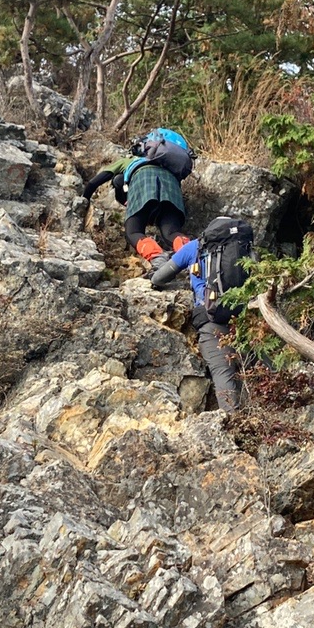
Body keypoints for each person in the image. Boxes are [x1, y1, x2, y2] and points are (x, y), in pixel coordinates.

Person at [150, 215, 254, 413]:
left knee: (223, 372)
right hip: (247, 317)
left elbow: (159, 277)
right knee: (259, 370)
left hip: (211, 318)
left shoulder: (195, 247)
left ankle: (233, 421)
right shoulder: (244, 247)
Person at [83, 127, 194, 264]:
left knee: (133, 232)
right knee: (171, 233)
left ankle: (157, 258)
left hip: (142, 183)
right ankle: (193, 256)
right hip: (171, 189)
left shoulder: (131, 159)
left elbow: (95, 182)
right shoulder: (171, 167)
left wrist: (84, 200)